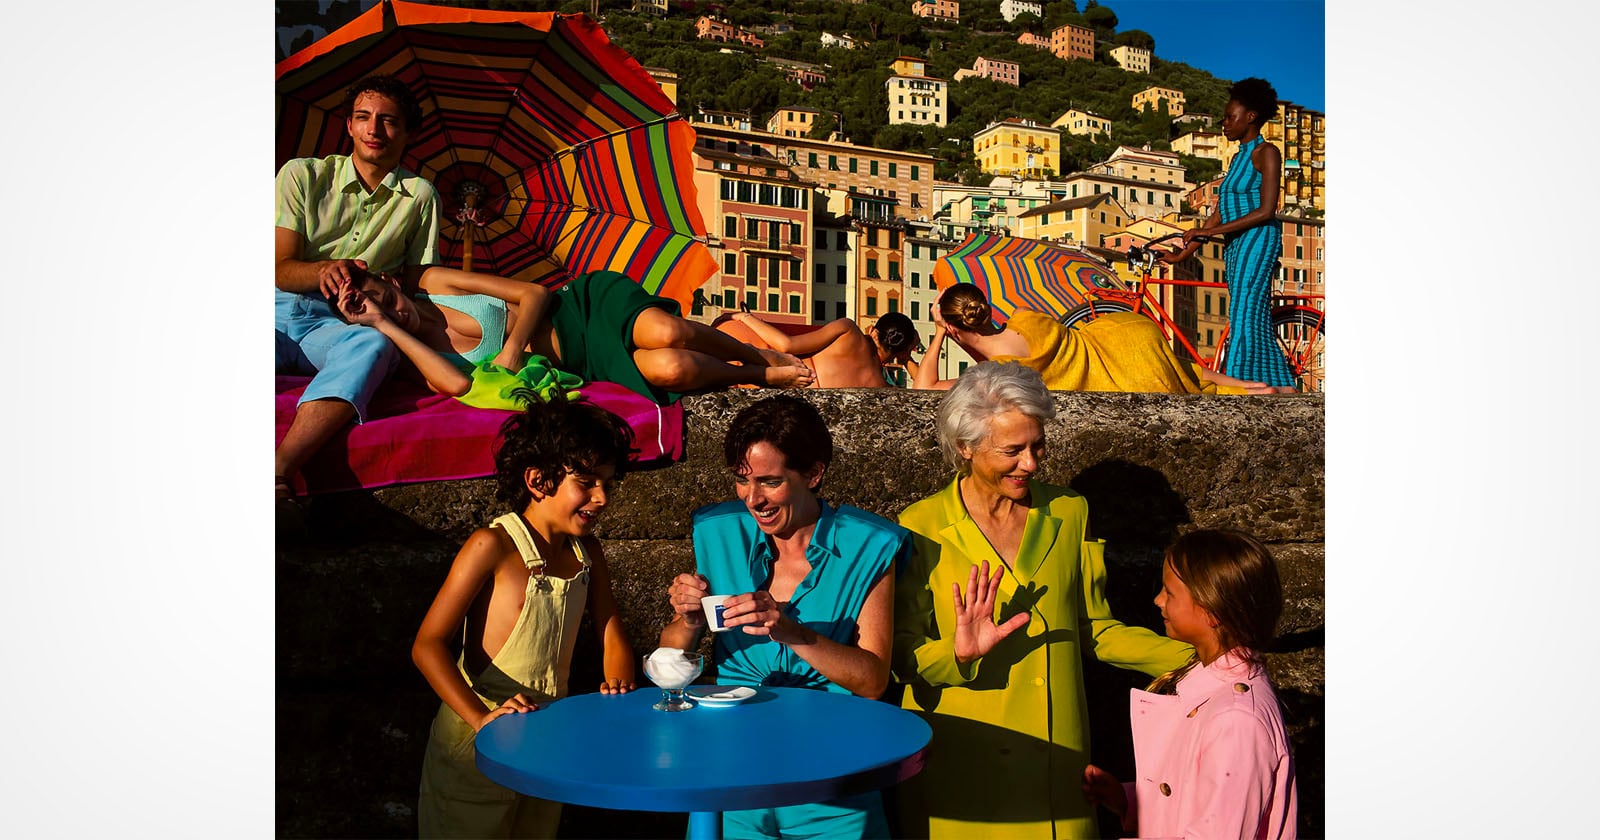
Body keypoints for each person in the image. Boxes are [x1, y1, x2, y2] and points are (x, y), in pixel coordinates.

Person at [891, 361, 1195, 839]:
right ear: (965, 447)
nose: (1031, 464)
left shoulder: (1071, 511)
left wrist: (1204, 658)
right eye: (1012, 450)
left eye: (1037, 445)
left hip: (1057, 762)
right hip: (964, 765)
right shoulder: (919, 526)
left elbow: (1094, 627)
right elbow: (901, 654)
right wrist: (957, 653)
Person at [659, 395, 910, 839]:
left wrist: (792, 632)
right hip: (731, 773)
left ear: (813, 474)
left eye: (770, 482)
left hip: (832, 784)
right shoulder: (718, 532)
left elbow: (873, 680)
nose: (753, 499)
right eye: (742, 480)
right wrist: (691, 620)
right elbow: (669, 657)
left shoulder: (869, 545)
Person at [412, 389, 638, 838]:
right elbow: (427, 646)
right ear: (538, 481)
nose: (602, 499)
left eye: (608, 485)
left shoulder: (587, 552)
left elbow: (609, 622)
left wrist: (619, 684)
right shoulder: (490, 546)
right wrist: (481, 719)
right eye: (587, 482)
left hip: (546, 742)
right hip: (475, 745)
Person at [275, 74, 442, 510]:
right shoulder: (302, 174)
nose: (374, 130)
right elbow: (278, 269)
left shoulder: (420, 195)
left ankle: (278, 472)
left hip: (337, 323)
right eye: (363, 118)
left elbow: (423, 282)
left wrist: (391, 289)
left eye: (388, 121)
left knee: (373, 344)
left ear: (407, 132)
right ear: (348, 125)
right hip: (273, 309)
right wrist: (324, 268)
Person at [332, 266, 815, 405]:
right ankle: (753, 375)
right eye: (383, 313)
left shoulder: (433, 281)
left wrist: (513, 348)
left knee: (666, 328)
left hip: (582, 307)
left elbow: (533, 292)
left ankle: (754, 351)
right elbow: (457, 386)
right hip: (584, 362)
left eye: (387, 298)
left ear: (392, 282)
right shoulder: (418, 358)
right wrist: (381, 323)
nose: (395, 311)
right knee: (672, 367)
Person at [1081, 529, 1298, 839]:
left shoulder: (1236, 720)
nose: (1157, 600)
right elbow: (1196, 796)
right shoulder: (1213, 691)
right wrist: (1130, 799)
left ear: (1211, 611)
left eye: (1169, 592)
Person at [1161, 77, 1297, 391]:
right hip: (1236, 245)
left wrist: (1214, 231)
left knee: (1244, 314)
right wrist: (1182, 254)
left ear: (1250, 117)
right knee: (1250, 316)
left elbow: (1266, 210)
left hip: (1259, 240)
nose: (1224, 123)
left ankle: (1239, 386)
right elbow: (1219, 213)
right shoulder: (1236, 159)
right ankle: (1279, 385)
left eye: (1229, 117)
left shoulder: (1267, 153)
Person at [914, 282, 1289, 395]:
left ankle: (1254, 390)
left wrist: (937, 336)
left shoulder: (998, 375)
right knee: (1187, 372)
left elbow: (922, 386)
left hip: (1124, 376)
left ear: (953, 328)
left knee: (1184, 383)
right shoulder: (1023, 319)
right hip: (1125, 332)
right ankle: (1255, 386)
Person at [721, 309, 923, 388]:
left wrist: (743, 317)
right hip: (762, 385)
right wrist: (907, 359)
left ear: (874, 332)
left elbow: (786, 344)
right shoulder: (882, 388)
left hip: (758, 355)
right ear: (901, 351)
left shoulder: (848, 330)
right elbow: (922, 389)